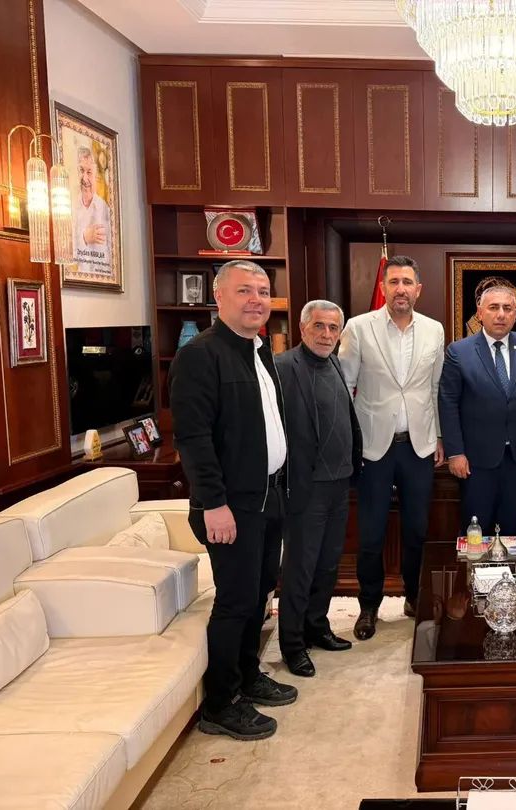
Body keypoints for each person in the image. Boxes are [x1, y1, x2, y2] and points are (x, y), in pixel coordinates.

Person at [170, 259, 297, 741]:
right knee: (235, 601)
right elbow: (194, 438)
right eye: (244, 290)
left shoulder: (259, 351)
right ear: (218, 296)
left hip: (268, 496)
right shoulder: (201, 355)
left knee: (259, 594)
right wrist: (213, 503)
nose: (256, 300)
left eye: (263, 291)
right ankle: (221, 704)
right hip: (231, 506)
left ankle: (247, 675)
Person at [338, 255, 445, 641]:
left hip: (418, 445)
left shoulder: (434, 330)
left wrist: (439, 437)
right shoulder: (358, 327)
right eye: (394, 281)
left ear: (419, 289)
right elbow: (345, 386)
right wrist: (349, 442)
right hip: (373, 446)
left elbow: (434, 387)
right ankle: (369, 604)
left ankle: (414, 597)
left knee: (417, 529)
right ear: (383, 287)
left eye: (407, 282)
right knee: (371, 532)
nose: (401, 289)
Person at [274, 300, 362, 678]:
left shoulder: (336, 363)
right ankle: (292, 644)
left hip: (340, 483)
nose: (327, 335)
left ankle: (316, 626)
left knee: (328, 565)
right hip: (305, 486)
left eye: (333, 328)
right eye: (319, 326)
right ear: (303, 328)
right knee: (300, 568)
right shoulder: (282, 367)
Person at [438, 277, 516, 537]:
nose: (501, 314)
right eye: (493, 307)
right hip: (475, 460)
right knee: (475, 531)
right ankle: (475, 567)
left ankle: (507, 567)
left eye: (507, 308)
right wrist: (455, 452)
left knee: (510, 529)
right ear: (479, 313)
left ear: (515, 314)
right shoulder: (459, 352)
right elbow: (448, 402)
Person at [73, 147, 112, 274]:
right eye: (81, 170)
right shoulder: (69, 208)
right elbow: (64, 255)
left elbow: (112, 258)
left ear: (96, 176)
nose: (84, 178)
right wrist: (84, 237)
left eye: (89, 172)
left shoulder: (105, 210)